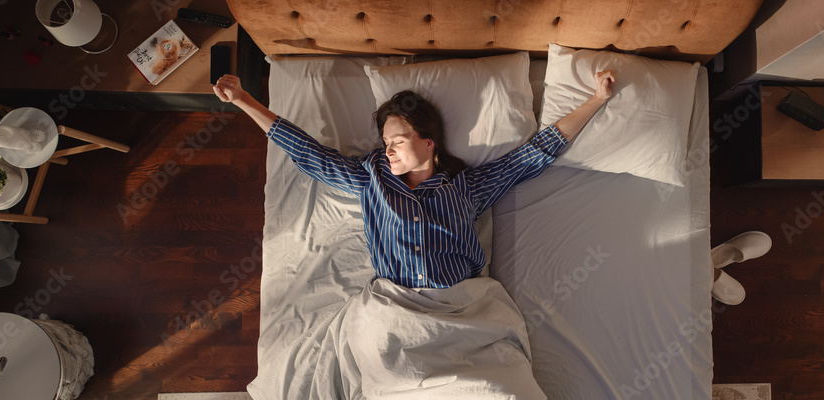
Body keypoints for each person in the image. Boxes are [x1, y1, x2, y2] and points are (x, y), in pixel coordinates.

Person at [213, 69, 614, 289]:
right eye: (385, 141)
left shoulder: (466, 187)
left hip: (459, 304)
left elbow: (535, 153)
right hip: (397, 305)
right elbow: (309, 155)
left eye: (398, 141)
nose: (387, 149)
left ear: (428, 143)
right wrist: (246, 100)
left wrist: (597, 99)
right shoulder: (370, 179)